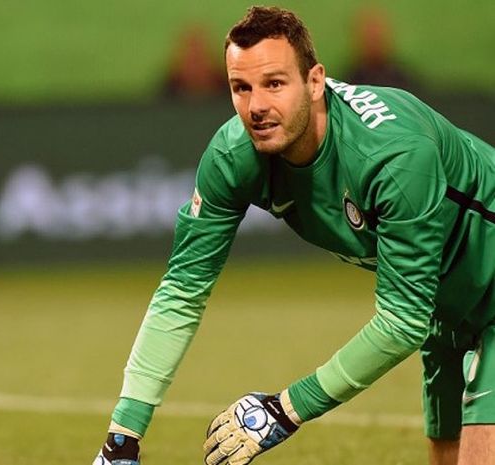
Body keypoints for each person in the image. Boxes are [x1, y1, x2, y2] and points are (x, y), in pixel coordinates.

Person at [92, 6, 495, 465]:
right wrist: (121, 437)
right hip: (444, 306)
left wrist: (285, 410)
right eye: (240, 88)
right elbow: (182, 291)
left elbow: (401, 321)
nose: (256, 106)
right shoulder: (234, 156)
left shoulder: (393, 156)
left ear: (316, 81)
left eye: (274, 84)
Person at [344, 7, 420, 92]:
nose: (373, 43)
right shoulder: (348, 85)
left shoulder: (404, 80)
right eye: (369, 38)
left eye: (376, 38)